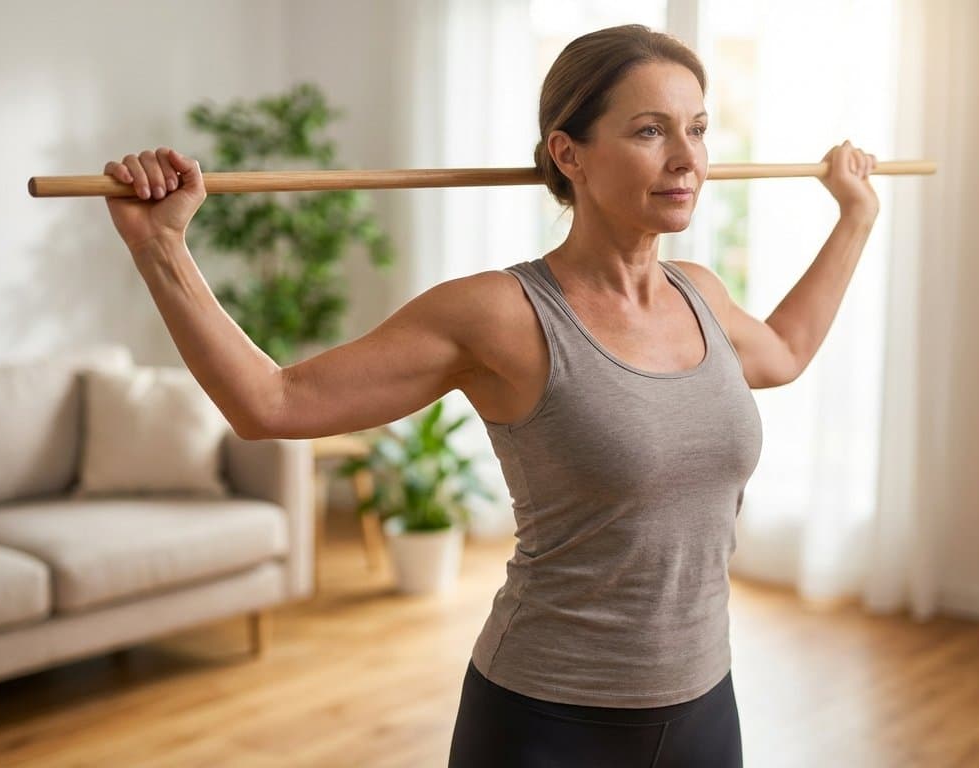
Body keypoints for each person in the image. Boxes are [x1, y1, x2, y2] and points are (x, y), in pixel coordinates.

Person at [101, 23, 877, 768]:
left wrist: (856, 216)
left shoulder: (698, 293)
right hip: (547, 722)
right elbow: (271, 404)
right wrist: (161, 247)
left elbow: (785, 352)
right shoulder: (500, 316)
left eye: (698, 130)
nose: (687, 160)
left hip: (706, 706)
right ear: (568, 154)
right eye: (649, 132)